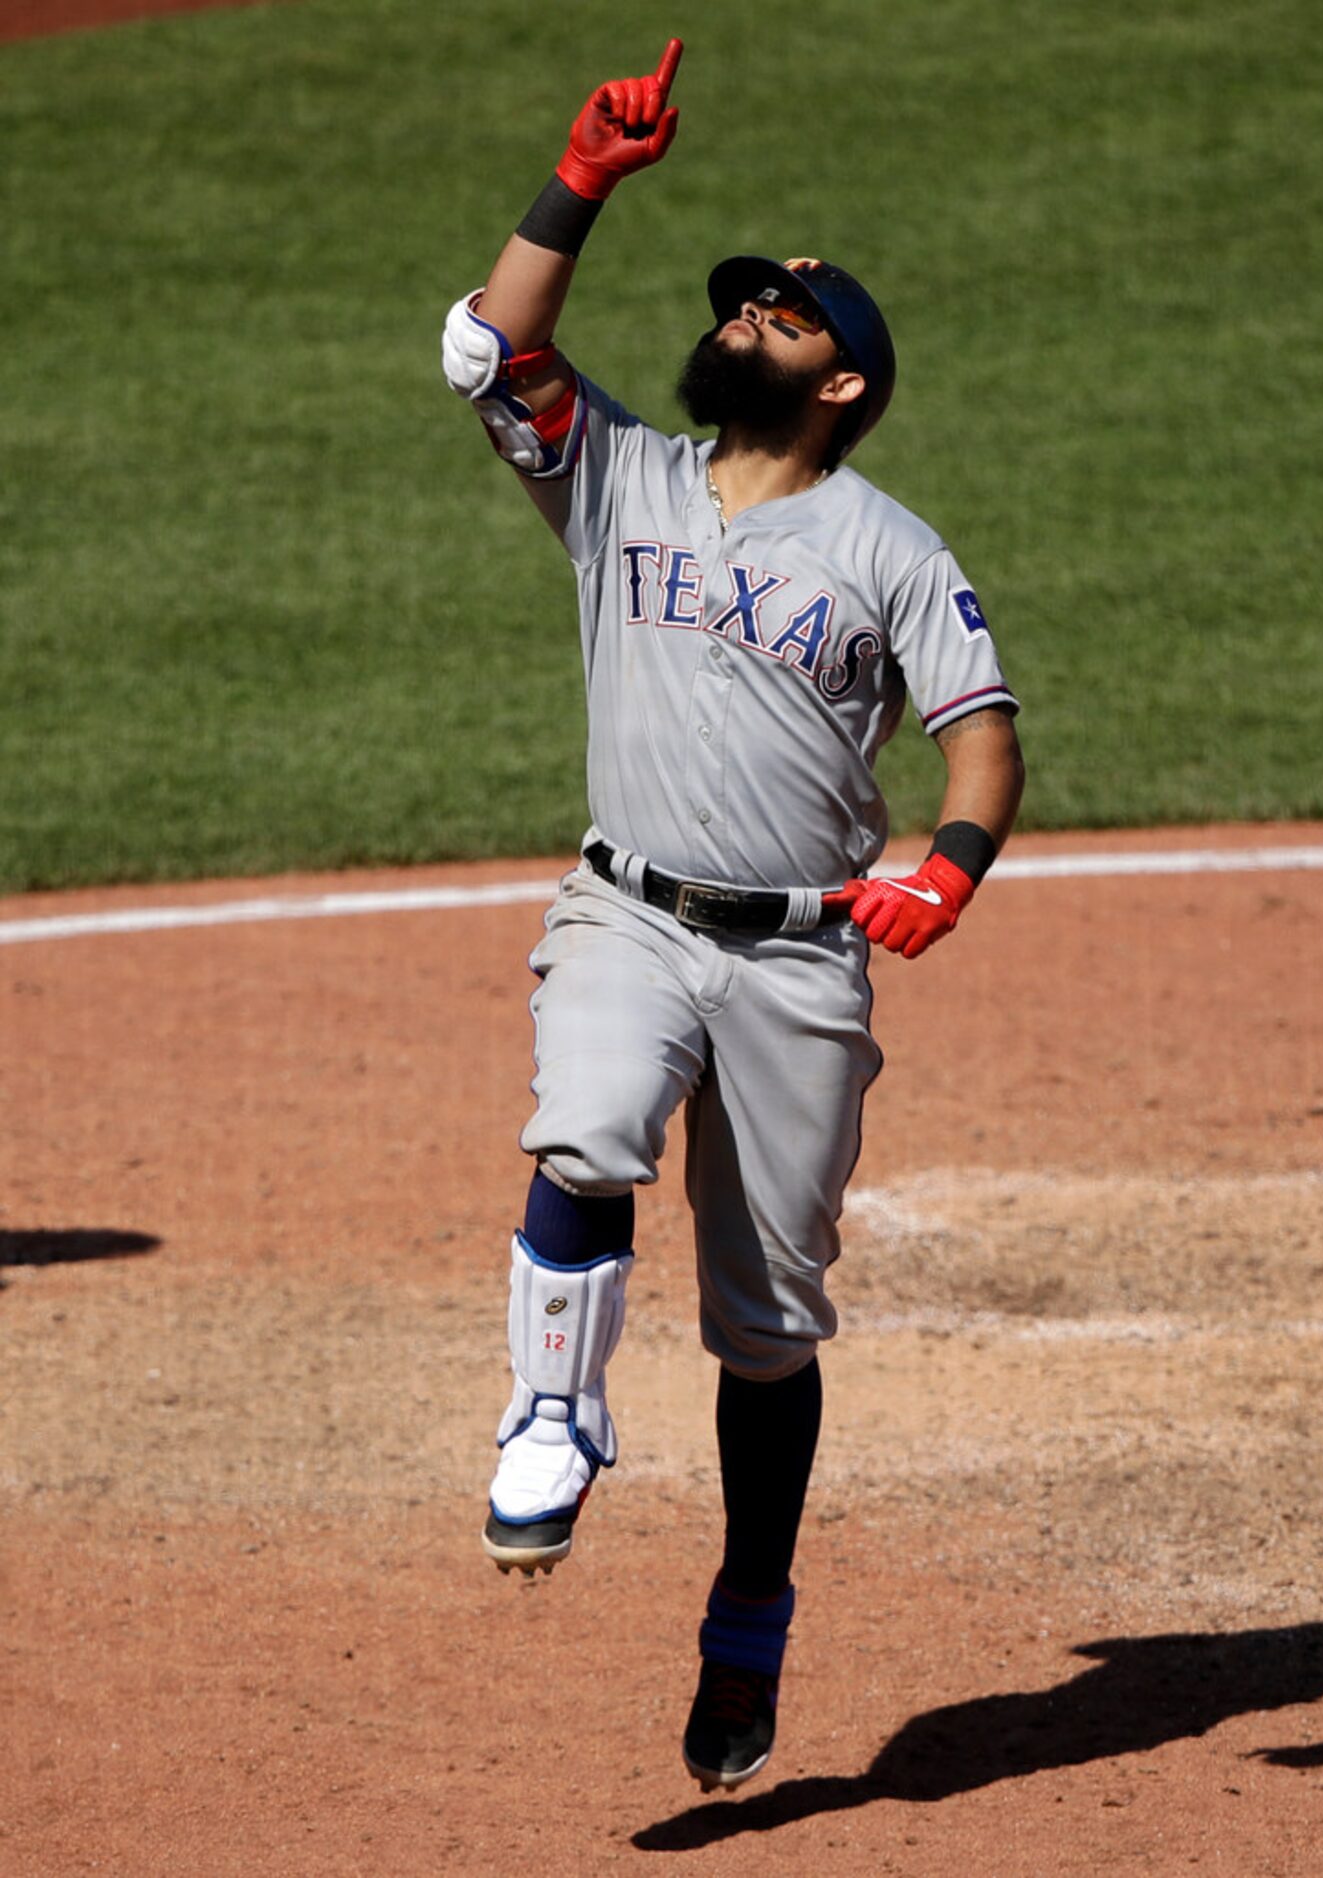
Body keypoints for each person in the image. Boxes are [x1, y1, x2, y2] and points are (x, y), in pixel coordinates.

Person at [440, 36, 1024, 1794]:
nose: (749, 318)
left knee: (768, 1326)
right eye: (744, 302)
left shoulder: (891, 547)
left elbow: (979, 741)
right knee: (585, 1129)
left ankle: (750, 1603)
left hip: (796, 956)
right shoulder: (611, 473)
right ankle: (551, 1410)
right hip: (627, 910)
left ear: (842, 380)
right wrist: (581, 181)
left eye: (783, 312)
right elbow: (494, 346)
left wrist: (947, 861)